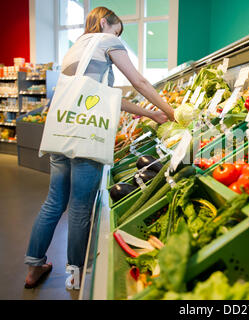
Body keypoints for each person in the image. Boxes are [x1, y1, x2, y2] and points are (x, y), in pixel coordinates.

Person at [24, 6, 175, 290]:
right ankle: (75, 276)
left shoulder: (74, 48)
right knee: (80, 208)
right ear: (105, 23)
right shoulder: (108, 41)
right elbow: (139, 82)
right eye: (116, 31)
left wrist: (151, 114)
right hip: (87, 137)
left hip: (62, 131)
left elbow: (106, 99)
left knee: (54, 202)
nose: (117, 37)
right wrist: (168, 109)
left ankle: (33, 268)